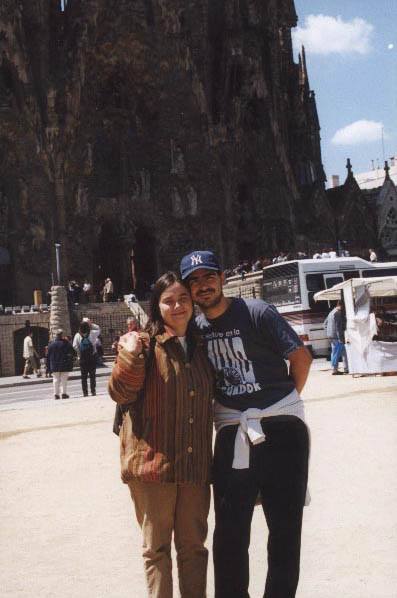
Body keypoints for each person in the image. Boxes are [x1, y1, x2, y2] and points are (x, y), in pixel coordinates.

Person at [180, 250, 312, 598]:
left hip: (282, 429)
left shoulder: (257, 312)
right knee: (229, 532)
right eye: (194, 281)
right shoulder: (195, 328)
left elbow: (300, 358)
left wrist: (278, 406)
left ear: (222, 278)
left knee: (284, 528)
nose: (202, 286)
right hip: (232, 432)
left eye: (208, 277)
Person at [108, 271, 214, 598]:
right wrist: (128, 354)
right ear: (157, 306)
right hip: (154, 467)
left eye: (184, 298)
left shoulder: (201, 347)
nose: (178, 306)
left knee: (194, 547)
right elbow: (120, 392)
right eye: (169, 301)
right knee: (157, 549)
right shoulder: (143, 344)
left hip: (194, 467)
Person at [73, 318, 101, 396]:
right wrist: (91, 324)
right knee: (92, 376)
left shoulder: (77, 335)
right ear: (88, 327)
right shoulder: (92, 333)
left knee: (84, 377)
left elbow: (74, 346)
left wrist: (80, 352)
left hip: (82, 359)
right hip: (92, 357)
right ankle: (93, 391)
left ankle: (85, 392)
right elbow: (99, 329)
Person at [47, 329, 75, 400]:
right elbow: (73, 352)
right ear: (62, 335)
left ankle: (56, 394)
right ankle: (64, 393)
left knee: (55, 380)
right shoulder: (65, 343)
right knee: (64, 380)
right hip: (64, 363)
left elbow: (48, 356)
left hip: (54, 364)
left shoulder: (51, 345)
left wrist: (49, 367)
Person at [324, 300, 348, 375]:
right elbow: (338, 327)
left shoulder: (331, 312)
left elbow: (324, 324)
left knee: (342, 352)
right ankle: (335, 370)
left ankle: (346, 368)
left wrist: (328, 333)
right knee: (336, 353)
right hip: (336, 337)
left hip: (331, 336)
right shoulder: (337, 313)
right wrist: (341, 339)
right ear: (341, 306)